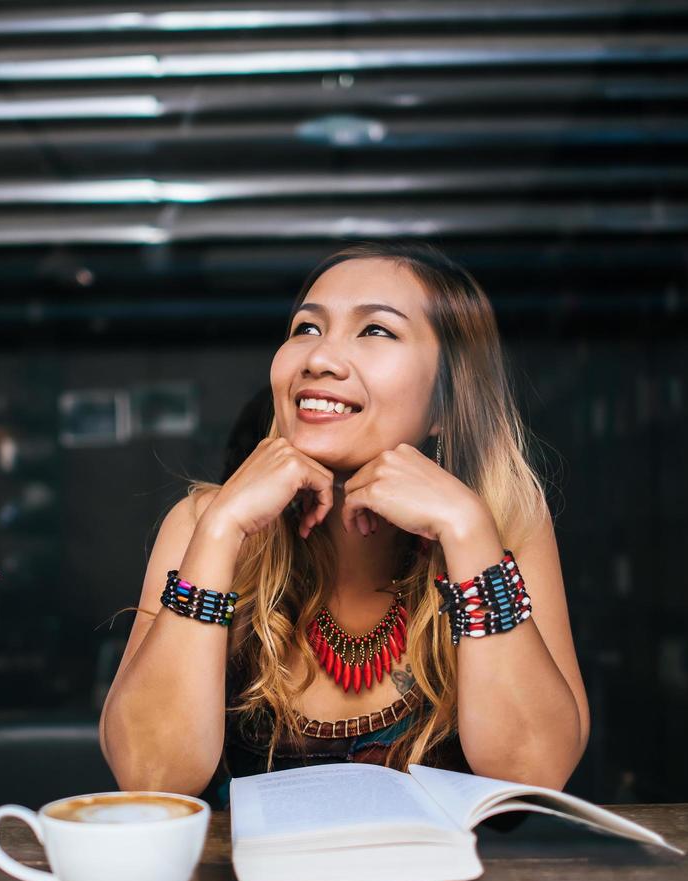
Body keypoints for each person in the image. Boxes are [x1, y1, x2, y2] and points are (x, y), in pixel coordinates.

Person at [100, 241, 589, 810]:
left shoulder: (503, 526)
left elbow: (534, 776)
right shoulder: (201, 523)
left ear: (445, 403)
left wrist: (466, 531)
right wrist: (219, 529)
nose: (319, 358)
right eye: (306, 328)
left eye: (376, 331)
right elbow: (149, 777)